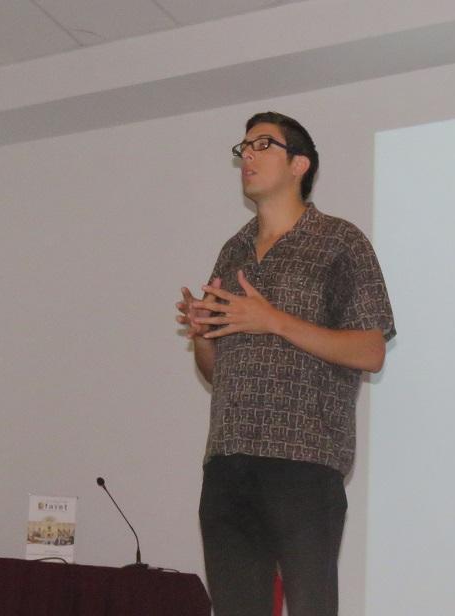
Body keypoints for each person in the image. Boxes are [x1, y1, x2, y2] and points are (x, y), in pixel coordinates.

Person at [175, 111, 395, 616]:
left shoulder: (341, 241)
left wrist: (273, 319)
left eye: (262, 145)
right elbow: (216, 372)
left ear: (300, 164)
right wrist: (204, 334)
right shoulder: (232, 250)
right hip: (228, 460)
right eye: (243, 148)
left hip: (305, 460)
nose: (246, 155)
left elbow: (371, 350)